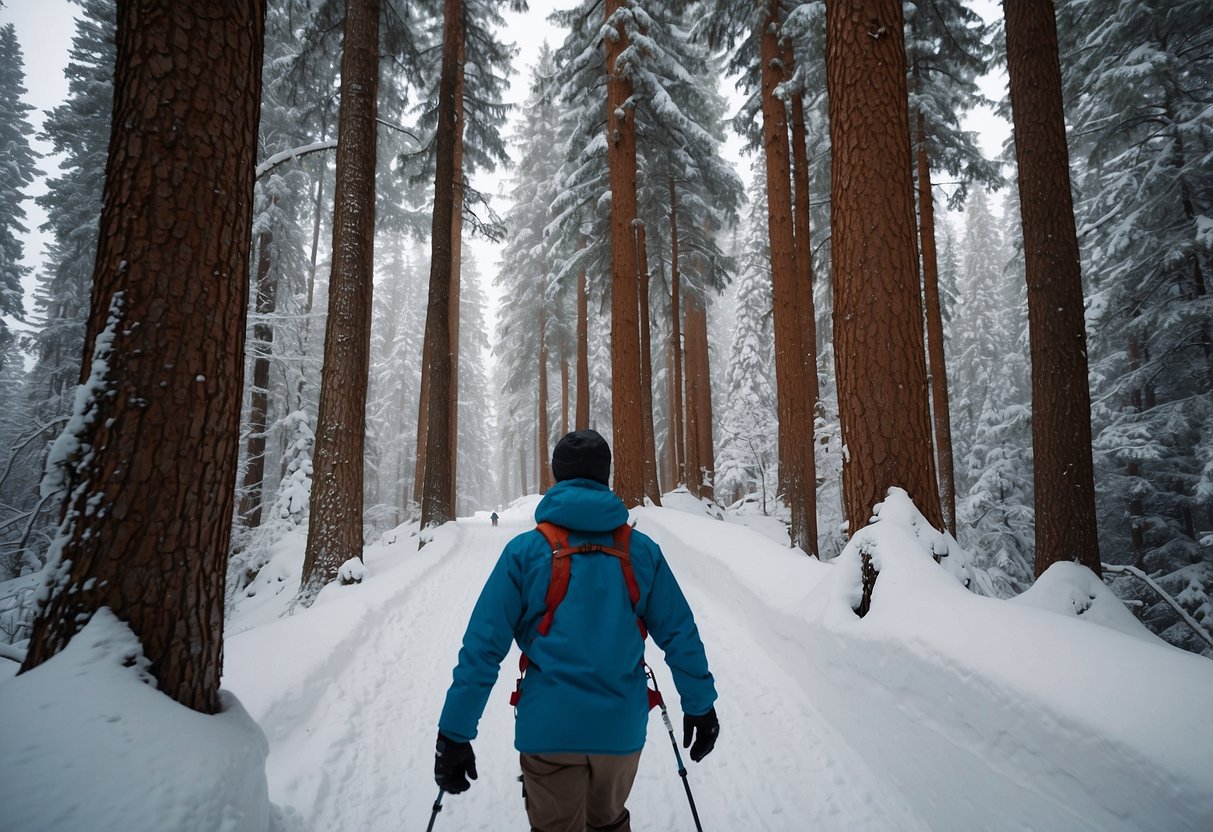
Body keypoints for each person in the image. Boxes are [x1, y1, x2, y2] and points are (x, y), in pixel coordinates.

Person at [436, 429, 719, 832]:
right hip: (620, 731)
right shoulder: (641, 550)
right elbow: (680, 633)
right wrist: (700, 704)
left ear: (557, 476)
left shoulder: (524, 551)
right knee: (608, 822)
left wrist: (455, 732)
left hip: (548, 733)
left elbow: (483, 647)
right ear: (606, 475)